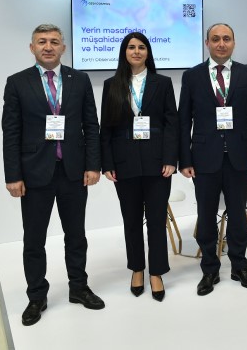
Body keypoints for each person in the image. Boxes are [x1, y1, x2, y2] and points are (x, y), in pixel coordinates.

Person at [2, 24, 104, 327]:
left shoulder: (80, 79)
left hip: (73, 171)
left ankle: (79, 287)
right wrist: (13, 175)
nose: (48, 46)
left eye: (54, 42)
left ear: (63, 48)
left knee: (76, 236)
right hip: (34, 174)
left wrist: (93, 165)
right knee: (34, 240)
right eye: (42, 42)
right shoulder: (17, 82)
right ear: (32, 47)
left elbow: (91, 125)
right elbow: (11, 132)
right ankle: (36, 295)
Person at [179, 23, 247, 296]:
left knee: (238, 215)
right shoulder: (192, 76)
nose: (221, 43)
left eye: (226, 39)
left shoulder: (246, 74)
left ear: (233, 43)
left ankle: (240, 266)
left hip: (239, 158)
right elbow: (183, 121)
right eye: (215, 39)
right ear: (207, 43)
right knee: (206, 216)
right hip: (203, 158)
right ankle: (210, 269)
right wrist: (185, 159)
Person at [100, 32, 178, 302]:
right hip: (124, 164)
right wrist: (107, 163)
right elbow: (106, 128)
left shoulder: (162, 83)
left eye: (141, 47)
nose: (136, 51)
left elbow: (171, 124)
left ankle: (156, 272)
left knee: (156, 221)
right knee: (131, 221)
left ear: (148, 52)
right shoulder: (111, 85)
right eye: (131, 47)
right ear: (124, 52)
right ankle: (137, 269)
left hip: (158, 164)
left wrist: (170, 159)